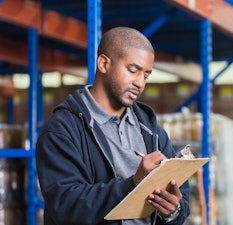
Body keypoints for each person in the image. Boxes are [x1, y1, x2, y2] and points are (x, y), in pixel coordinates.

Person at [36, 27, 190, 225]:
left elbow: (182, 199)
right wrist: (133, 184)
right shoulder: (63, 129)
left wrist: (173, 212)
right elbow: (66, 206)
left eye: (146, 76)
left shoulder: (151, 131)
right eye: (132, 70)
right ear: (103, 64)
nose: (139, 83)